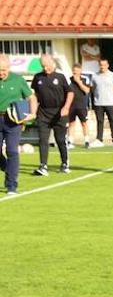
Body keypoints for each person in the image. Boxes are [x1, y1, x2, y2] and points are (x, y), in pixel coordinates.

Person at [30, 54, 72, 175]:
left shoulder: (60, 76)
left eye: (47, 66)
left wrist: (66, 107)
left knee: (60, 139)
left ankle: (65, 163)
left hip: (59, 112)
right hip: (43, 112)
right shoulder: (38, 77)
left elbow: (70, 93)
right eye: (43, 66)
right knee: (43, 140)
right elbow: (35, 95)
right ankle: (43, 166)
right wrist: (33, 109)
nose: (45, 69)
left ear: (52, 63)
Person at [0, 54, 36, 195]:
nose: (1, 73)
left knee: (12, 151)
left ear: (9, 68)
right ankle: (9, 169)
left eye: (3, 70)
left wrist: (32, 113)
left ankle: (11, 185)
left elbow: (31, 98)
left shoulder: (18, 80)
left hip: (13, 121)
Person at [92, 58, 113, 146]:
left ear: (107, 65)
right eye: (101, 65)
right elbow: (93, 88)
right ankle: (99, 139)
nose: (102, 67)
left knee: (112, 120)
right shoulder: (95, 76)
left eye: (104, 65)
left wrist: (111, 96)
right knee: (99, 121)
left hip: (110, 102)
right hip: (99, 102)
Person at [66, 63, 94, 146]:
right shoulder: (69, 79)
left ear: (80, 71)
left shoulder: (85, 79)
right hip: (71, 105)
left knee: (84, 123)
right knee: (71, 123)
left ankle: (86, 141)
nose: (75, 73)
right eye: (74, 71)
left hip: (81, 105)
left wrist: (78, 81)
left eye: (77, 71)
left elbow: (87, 90)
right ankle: (70, 141)